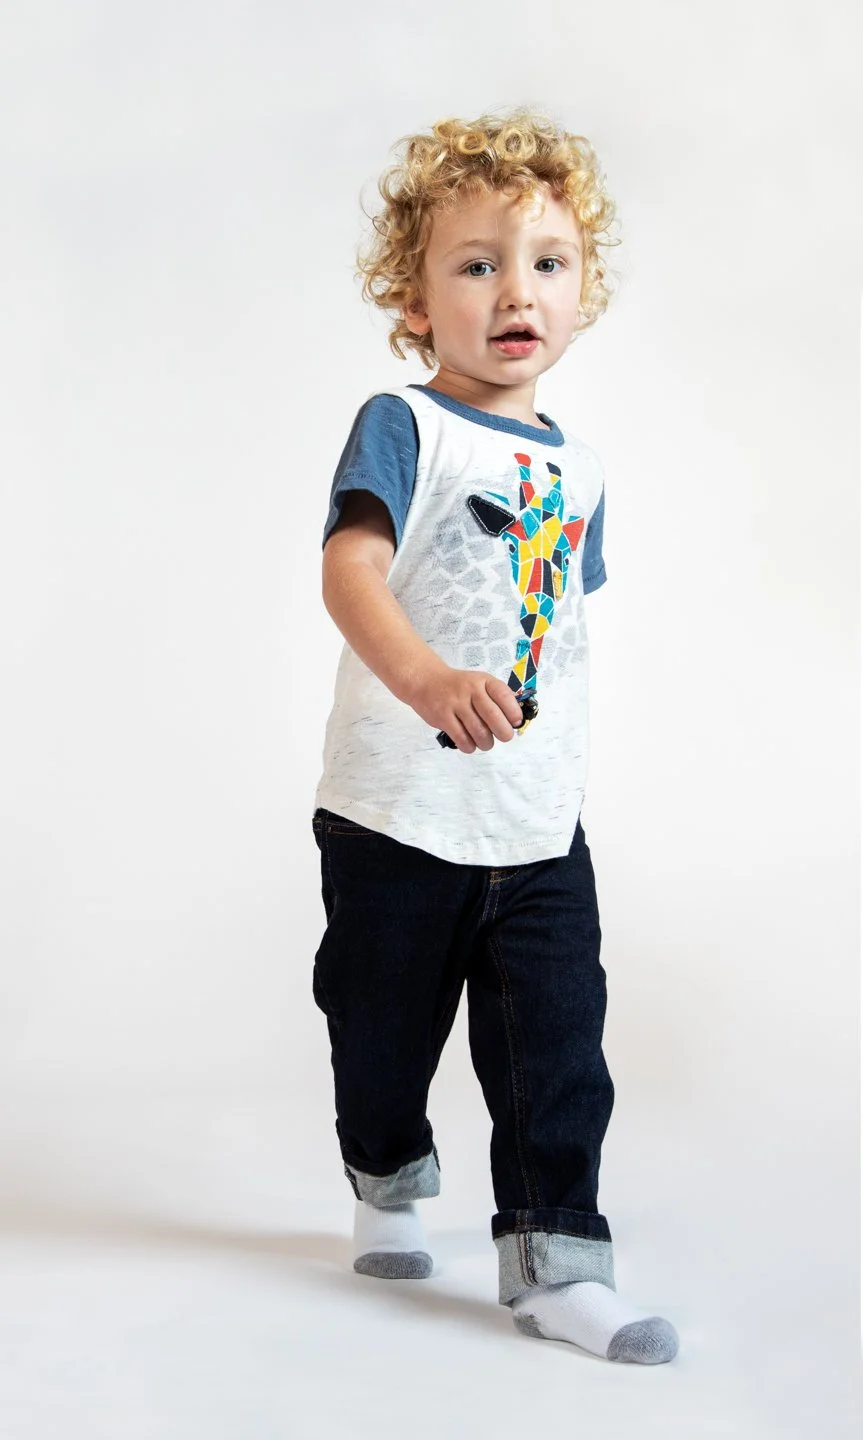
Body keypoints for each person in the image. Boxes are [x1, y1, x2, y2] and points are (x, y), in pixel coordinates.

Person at [310, 106, 678, 1365]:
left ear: (579, 293)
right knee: (379, 1028)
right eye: (473, 264)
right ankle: (382, 1168)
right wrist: (420, 680)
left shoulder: (577, 475)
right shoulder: (403, 425)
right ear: (413, 303)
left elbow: (556, 628)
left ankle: (556, 1261)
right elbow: (348, 569)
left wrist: (557, 759)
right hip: (396, 813)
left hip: (531, 821)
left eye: (544, 264)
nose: (512, 291)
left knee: (557, 1044)